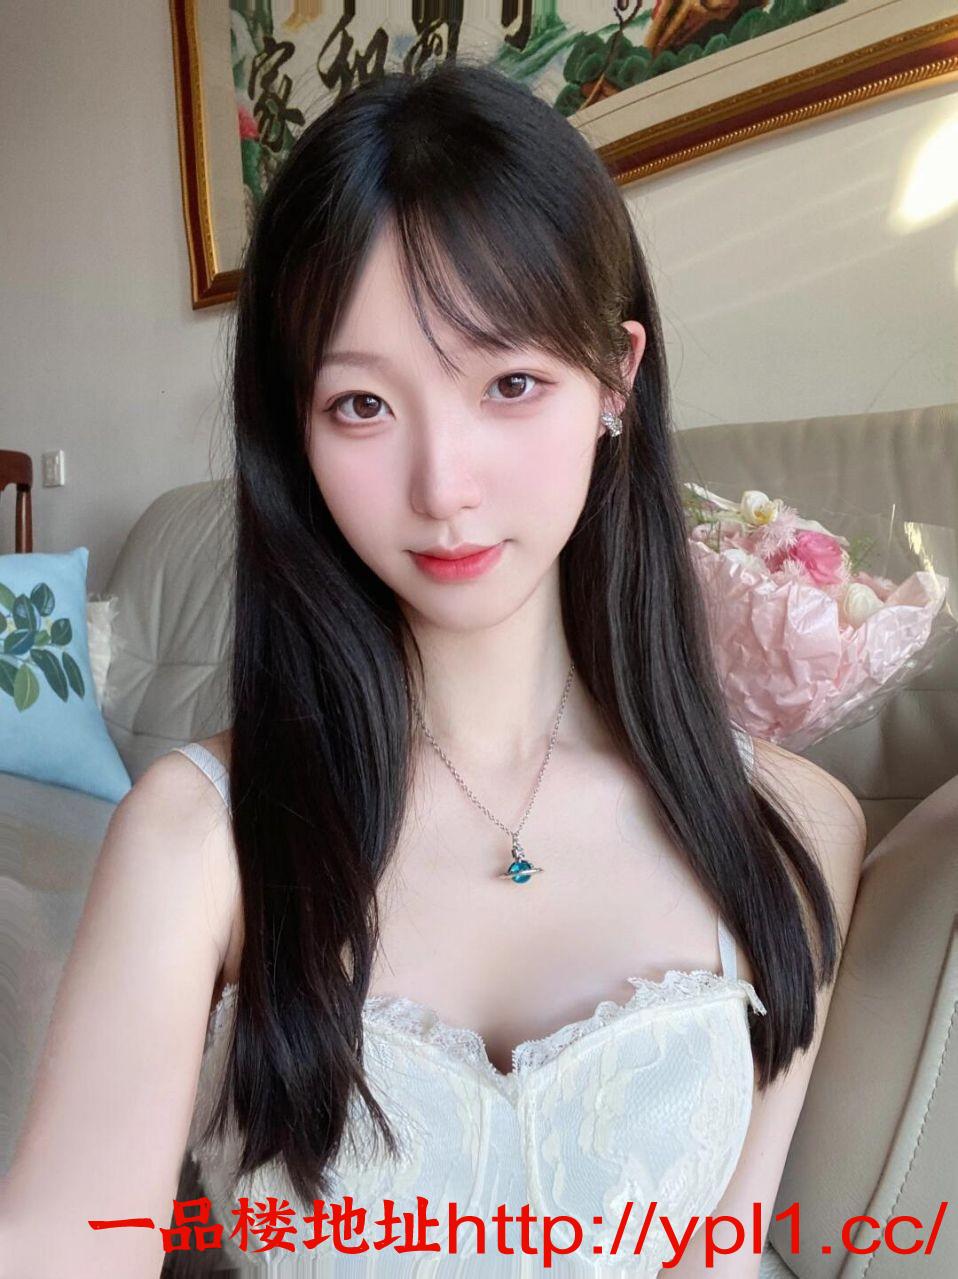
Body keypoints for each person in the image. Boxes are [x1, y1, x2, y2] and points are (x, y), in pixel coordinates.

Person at [2, 60, 866, 1278]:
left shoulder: (791, 830)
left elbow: (717, 1254)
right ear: (294, 429)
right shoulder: (198, 837)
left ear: (616, 380)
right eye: (362, 405)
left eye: (510, 382)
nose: (442, 485)